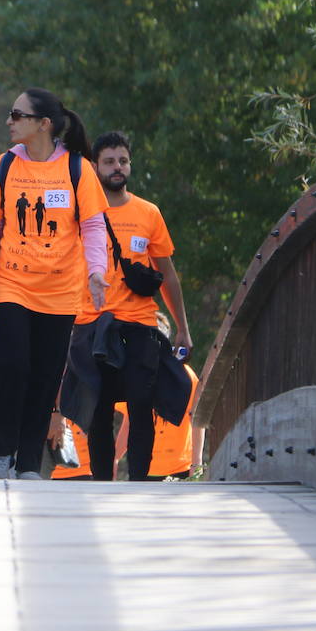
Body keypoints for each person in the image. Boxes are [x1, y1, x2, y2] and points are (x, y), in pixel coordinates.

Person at [0, 87, 109, 480]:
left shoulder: (78, 169)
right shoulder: (5, 165)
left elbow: (94, 226)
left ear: (43, 124)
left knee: (45, 376)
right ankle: (0, 454)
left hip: (61, 291)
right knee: (10, 365)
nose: (9, 121)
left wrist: (98, 270)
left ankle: (28, 462)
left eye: (17, 114)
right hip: (10, 283)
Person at [55, 130, 193, 482]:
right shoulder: (79, 213)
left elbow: (169, 276)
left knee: (141, 405)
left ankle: (140, 483)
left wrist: (183, 328)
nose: (118, 168)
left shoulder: (149, 213)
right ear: (94, 166)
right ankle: (103, 482)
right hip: (91, 322)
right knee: (98, 409)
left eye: (123, 161)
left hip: (140, 324)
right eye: (109, 161)